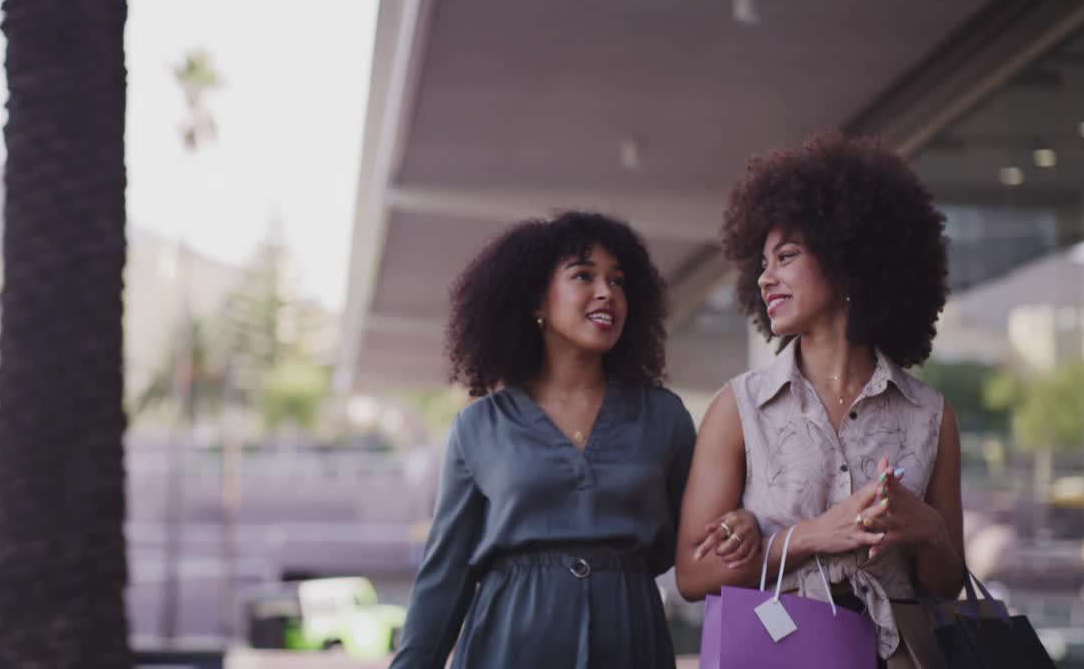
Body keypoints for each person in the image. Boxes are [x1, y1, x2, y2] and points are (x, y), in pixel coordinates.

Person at [390, 211, 759, 669]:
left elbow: (697, 540)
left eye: (618, 281)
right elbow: (445, 576)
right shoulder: (479, 426)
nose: (607, 292)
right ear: (536, 302)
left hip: (630, 640)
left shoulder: (663, 417)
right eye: (583, 275)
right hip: (509, 644)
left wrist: (740, 523)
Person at [675, 132, 965, 667]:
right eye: (762, 262)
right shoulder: (739, 409)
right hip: (781, 653)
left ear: (846, 259)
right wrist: (809, 537)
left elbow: (945, 585)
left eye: (785, 257)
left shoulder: (931, 415)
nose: (766, 278)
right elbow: (693, 577)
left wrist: (929, 531)